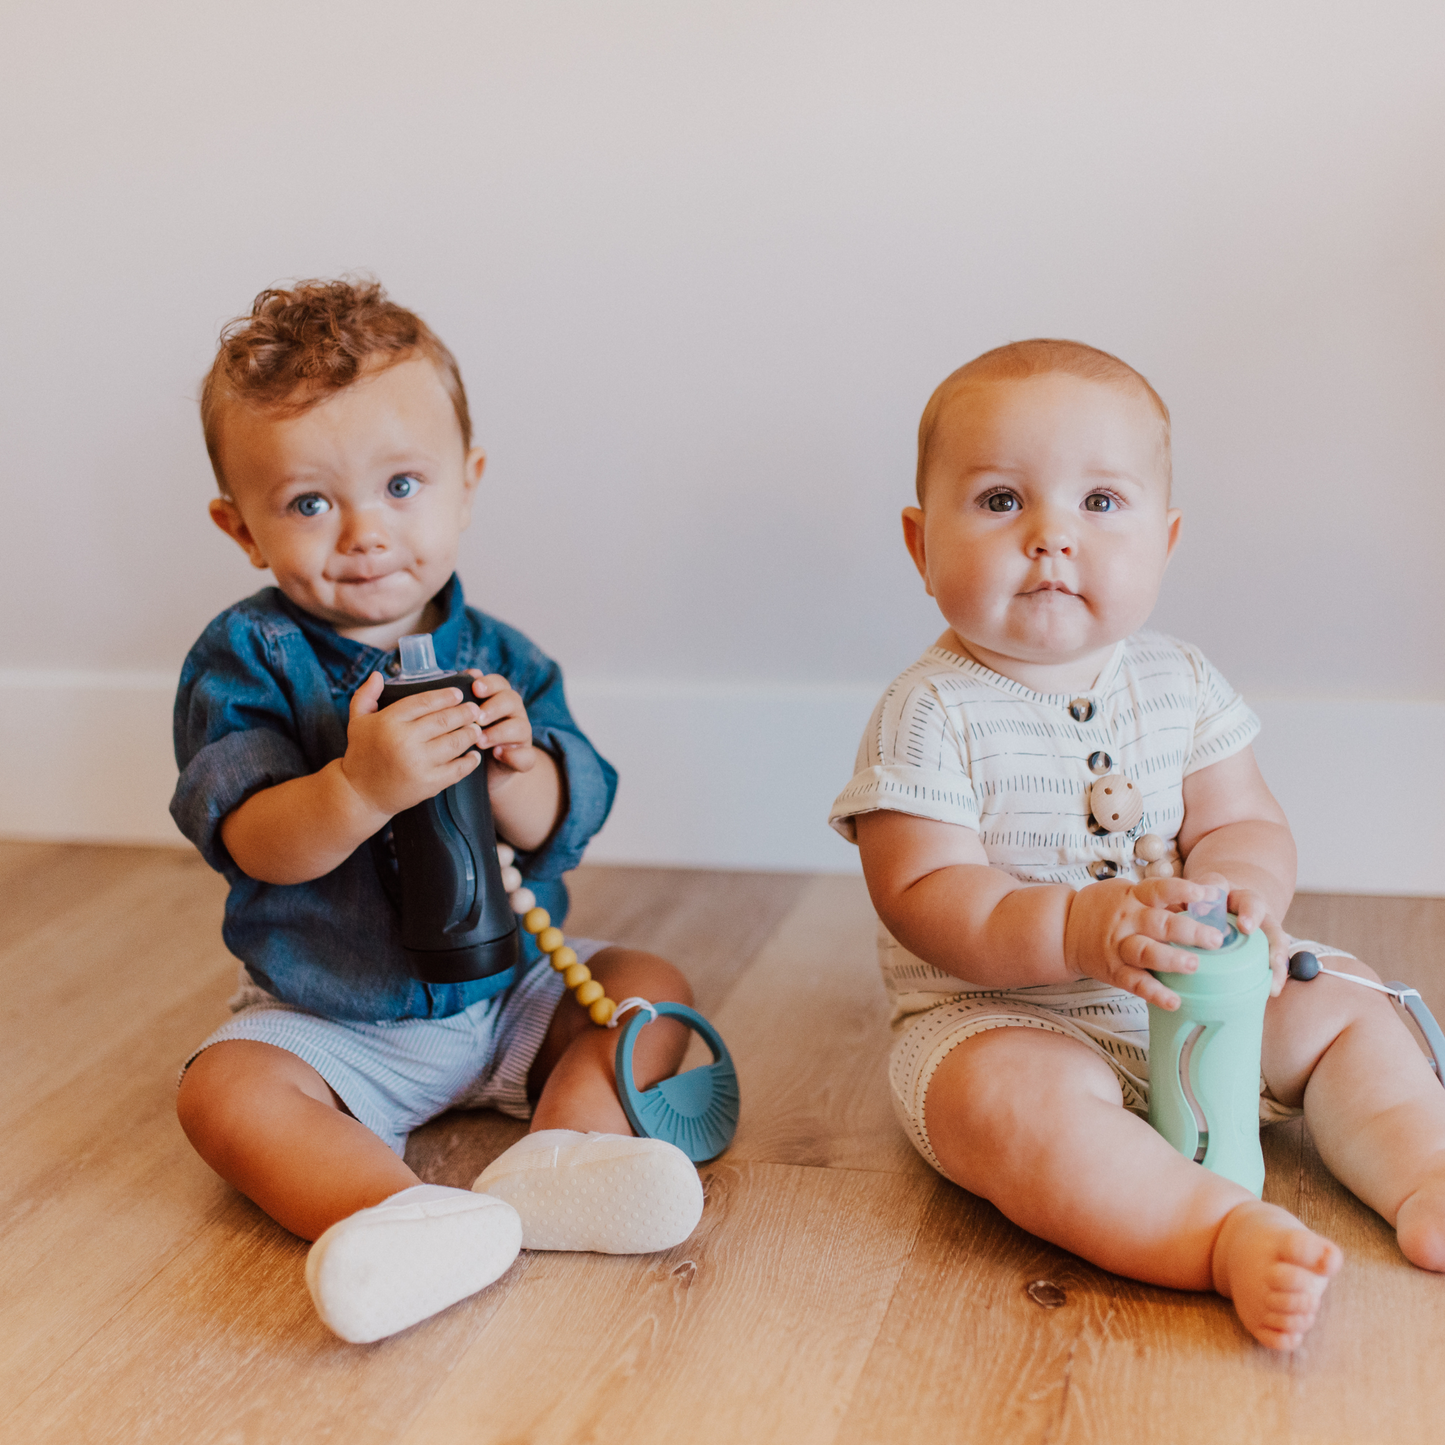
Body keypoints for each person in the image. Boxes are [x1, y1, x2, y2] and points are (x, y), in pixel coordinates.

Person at [830, 339, 1445, 1351]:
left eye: (1098, 503)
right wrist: (1076, 926)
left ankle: (1419, 1166)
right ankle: (1213, 1234)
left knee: (1343, 1002)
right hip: (1007, 1016)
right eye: (996, 500)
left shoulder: (1181, 680)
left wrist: (1239, 889)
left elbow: (1240, 819)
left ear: (1161, 540)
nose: (1049, 538)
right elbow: (923, 891)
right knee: (1006, 1108)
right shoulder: (927, 711)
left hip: (1200, 989)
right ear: (919, 543)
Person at [173, 278, 702, 1344]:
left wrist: (519, 768)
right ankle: (394, 1211)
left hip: (507, 991)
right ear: (241, 526)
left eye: (402, 484)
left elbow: (570, 810)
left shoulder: (501, 656)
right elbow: (253, 842)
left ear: (466, 483)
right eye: (310, 502)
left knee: (649, 987)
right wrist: (359, 786)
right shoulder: (244, 662)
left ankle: (565, 1150)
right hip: (336, 1018)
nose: (365, 532)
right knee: (222, 1092)